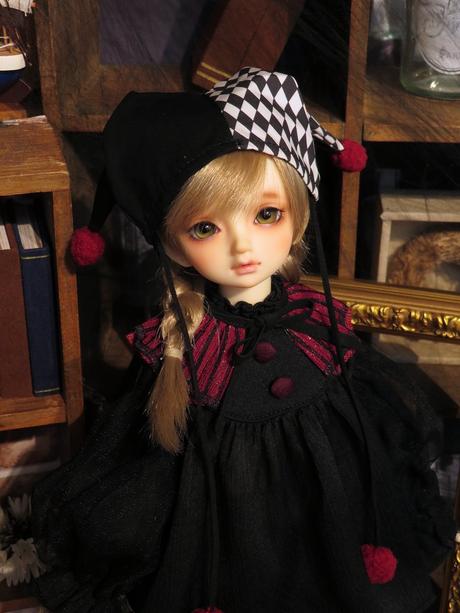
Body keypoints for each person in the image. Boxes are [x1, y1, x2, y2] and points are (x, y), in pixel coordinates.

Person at [31, 67, 454, 613]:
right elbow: (149, 474)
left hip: (323, 529)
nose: (243, 247)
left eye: (266, 215)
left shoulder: (317, 326)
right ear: (174, 246)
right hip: (224, 547)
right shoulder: (184, 346)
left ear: (298, 215)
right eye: (205, 227)